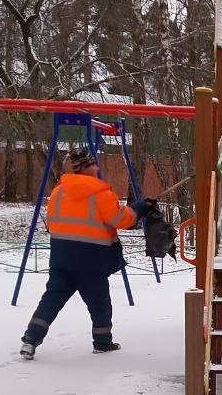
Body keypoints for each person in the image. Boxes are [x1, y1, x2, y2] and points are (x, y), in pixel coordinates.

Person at [20, 149, 150, 359]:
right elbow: (121, 220)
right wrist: (139, 208)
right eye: (93, 164)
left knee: (50, 301)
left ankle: (30, 340)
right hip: (92, 261)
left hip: (62, 258)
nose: (97, 168)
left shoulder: (58, 192)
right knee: (99, 303)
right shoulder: (100, 193)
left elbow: (54, 222)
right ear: (86, 168)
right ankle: (102, 342)